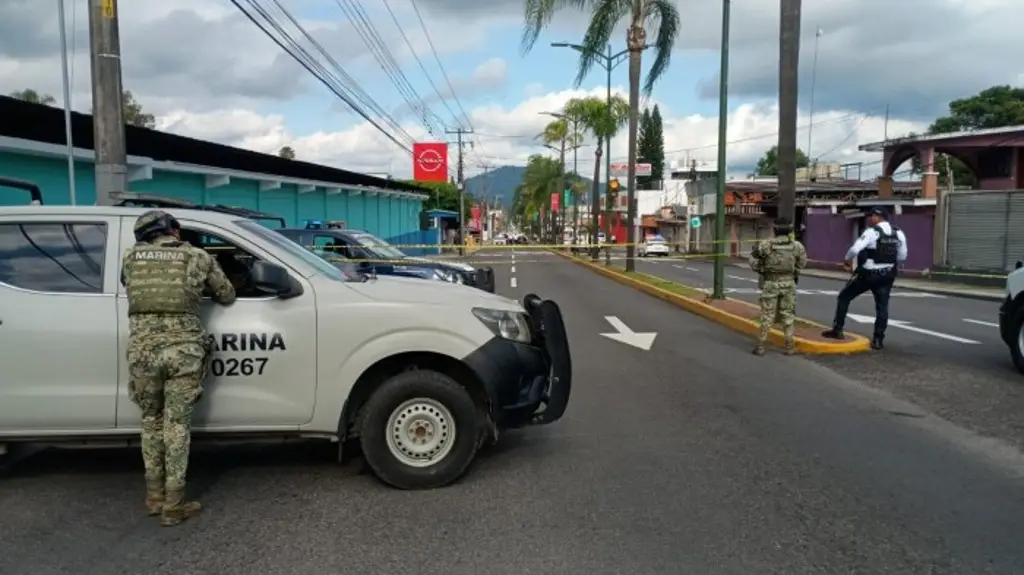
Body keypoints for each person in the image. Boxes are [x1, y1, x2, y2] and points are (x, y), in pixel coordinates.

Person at [121, 210, 236, 526]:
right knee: (176, 425)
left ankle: (154, 497)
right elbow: (226, 294)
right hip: (182, 351)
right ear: (173, 230)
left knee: (151, 421)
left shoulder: (130, 258)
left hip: (142, 350)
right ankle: (174, 505)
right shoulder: (197, 257)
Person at [821, 206, 907, 350]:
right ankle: (878, 340)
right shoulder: (898, 233)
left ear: (878, 217)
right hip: (887, 275)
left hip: (869, 274)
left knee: (844, 297)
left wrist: (847, 260)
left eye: (870, 216)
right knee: (882, 307)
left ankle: (838, 330)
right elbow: (902, 256)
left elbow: (855, 249)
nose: (868, 219)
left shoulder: (872, 232)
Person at [749, 217, 807, 356]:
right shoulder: (797, 246)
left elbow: (753, 260)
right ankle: (789, 346)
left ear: (775, 230)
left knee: (767, 315)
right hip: (789, 284)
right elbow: (802, 263)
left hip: (770, 283)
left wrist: (761, 269)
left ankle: (761, 346)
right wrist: (794, 273)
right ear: (790, 231)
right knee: (788, 315)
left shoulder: (765, 245)